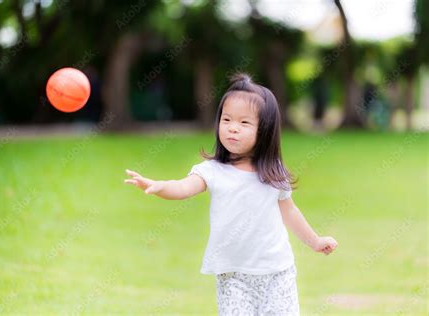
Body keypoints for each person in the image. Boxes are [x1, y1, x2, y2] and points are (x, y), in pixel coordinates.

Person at [124, 73, 338, 315]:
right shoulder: (212, 171)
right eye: (226, 120)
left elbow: (289, 211)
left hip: (277, 272)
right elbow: (183, 188)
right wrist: (160, 186)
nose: (232, 128)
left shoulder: (273, 172)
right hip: (233, 275)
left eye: (244, 123)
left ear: (265, 130)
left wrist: (315, 241)